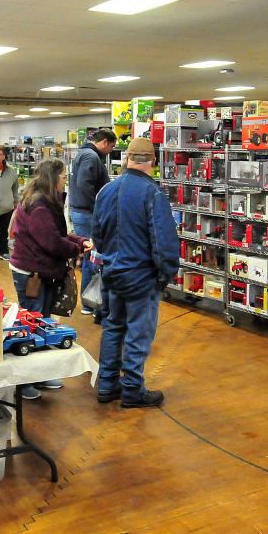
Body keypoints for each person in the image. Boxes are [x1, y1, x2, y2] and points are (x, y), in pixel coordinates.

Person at [92, 138, 179, 409]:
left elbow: (97, 234)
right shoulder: (152, 194)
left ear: (126, 159)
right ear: (152, 162)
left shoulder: (106, 191)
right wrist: (165, 275)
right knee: (138, 334)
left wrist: (109, 260)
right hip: (140, 276)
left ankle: (106, 385)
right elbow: (163, 241)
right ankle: (132, 390)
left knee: (113, 327)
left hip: (111, 273)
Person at [9, 158, 92, 400]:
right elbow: (52, 242)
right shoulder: (40, 206)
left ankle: (40, 375)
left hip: (40, 272)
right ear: (52, 178)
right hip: (32, 274)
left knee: (42, 323)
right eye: (63, 175)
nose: (66, 179)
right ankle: (25, 382)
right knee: (32, 325)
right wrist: (76, 248)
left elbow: (56, 235)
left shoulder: (43, 202)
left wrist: (78, 240)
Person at [69, 129, 116, 315]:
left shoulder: (83, 153)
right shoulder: (91, 157)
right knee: (92, 256)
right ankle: (90, 302)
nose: (111, 151)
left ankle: (90, 301)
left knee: (90, 255)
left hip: (81, 212)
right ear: (104, 142)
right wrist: (97, 210)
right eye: (111, 147)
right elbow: (84, 186)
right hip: (87, 213)